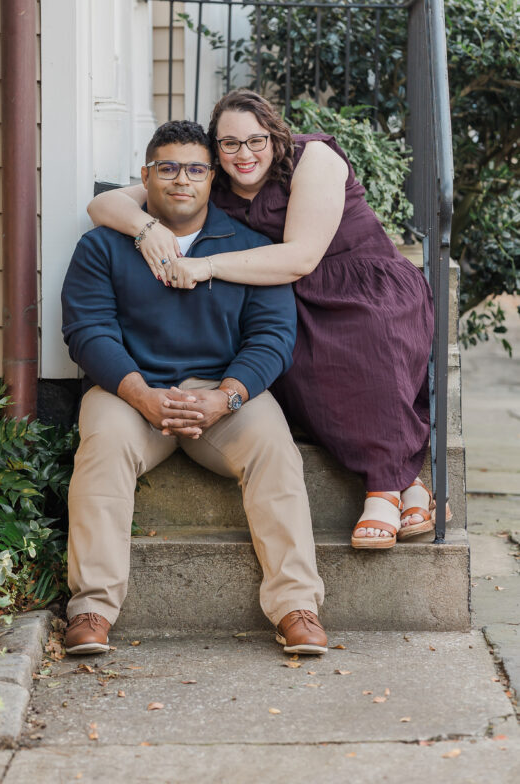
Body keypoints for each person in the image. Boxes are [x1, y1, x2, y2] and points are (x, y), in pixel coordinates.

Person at [88, 91, 446, 550]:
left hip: (361, 283)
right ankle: (409, 487)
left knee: (367, 343)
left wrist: (206, 265)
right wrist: (146, 227)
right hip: (293, 294)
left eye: (256, 140)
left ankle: (383, 486)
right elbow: (102, 206)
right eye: (230, 144)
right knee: (290, 361)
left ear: (275, 137)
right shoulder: (213, 181)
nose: (244, 154)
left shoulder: (312, 158)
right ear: (216, 149)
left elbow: (302, 257)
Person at [61, 120, 326, 657]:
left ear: (212, 179)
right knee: (103, 445)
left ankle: (297, 606)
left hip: (221, 396)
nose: (181, 179)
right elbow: (88, 332)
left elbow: (273, 338)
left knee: (274, 447)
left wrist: (226, 396)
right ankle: (92, 608)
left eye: (195, 169)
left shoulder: (250, 250)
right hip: (130, 392)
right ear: (146, 176)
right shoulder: (102, 248)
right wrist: (141, 395)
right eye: (168, 168)